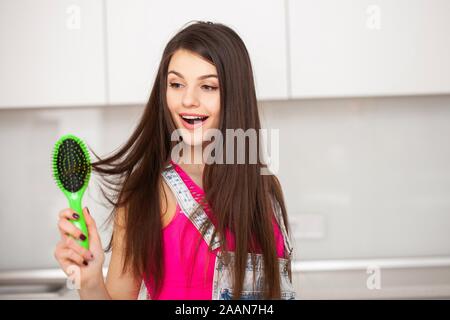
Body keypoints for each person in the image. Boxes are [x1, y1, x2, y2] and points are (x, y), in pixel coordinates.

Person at [54, 21, 296, 300]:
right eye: (176, 84)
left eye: (208, 87)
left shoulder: (266, 188)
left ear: (235, 96)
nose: (188, 100)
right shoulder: (145, 196)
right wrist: (90, 279)